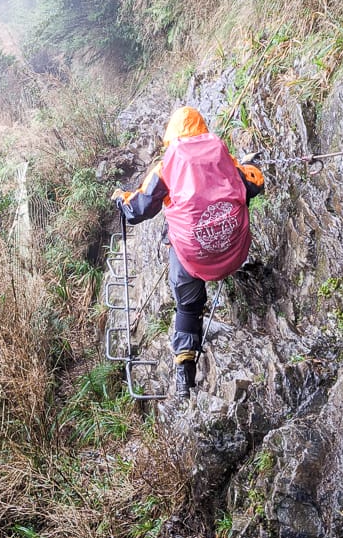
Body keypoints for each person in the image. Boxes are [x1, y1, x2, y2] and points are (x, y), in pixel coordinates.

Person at [112, 106, 264, 398]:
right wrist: (250, 168)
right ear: (202, 128)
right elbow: (252, 184)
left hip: (193, 256)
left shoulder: (168, 164)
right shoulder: (221, 154)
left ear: (172, 134)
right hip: (233, 249)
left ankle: (185, 373)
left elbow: (138, 209)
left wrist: (121, 199)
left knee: (187, 305)